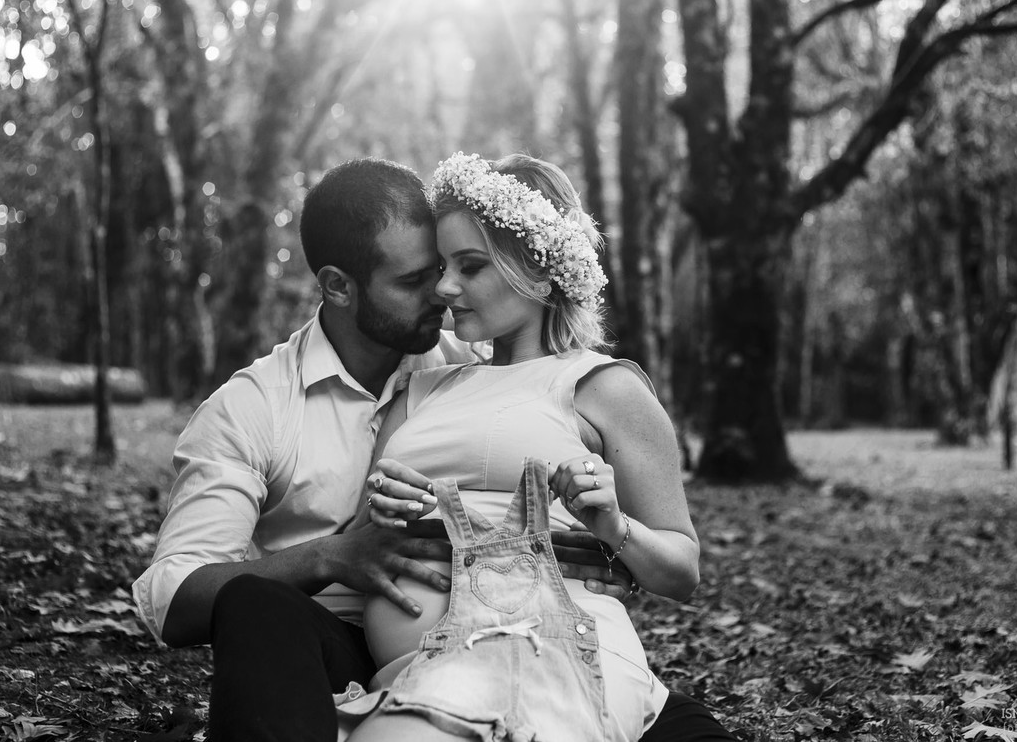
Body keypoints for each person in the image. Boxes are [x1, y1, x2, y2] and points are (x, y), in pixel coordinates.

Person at [132, 157, 737, 742]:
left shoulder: (479, 360)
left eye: (455, 266)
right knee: (255, 606)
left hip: (527, 629)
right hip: (340, 646)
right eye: (418, 279)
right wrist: (336, 555)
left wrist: (611, 539)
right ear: (339, 287)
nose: (444, 292)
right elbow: (173, 600)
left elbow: (650, 538)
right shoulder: (254, 407)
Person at [338, 152, 702, 742]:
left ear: (538, 269)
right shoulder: (418, 388)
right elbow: (359, 548)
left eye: (471, 266)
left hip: (550, 648)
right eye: (442, 267)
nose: (445, 287)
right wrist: (377, 513)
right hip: (417, 669)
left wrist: (614, 526)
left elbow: (682, 572)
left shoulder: (604, 387)